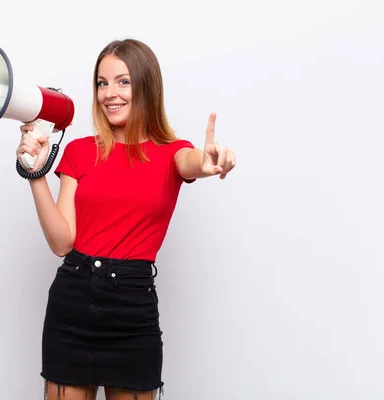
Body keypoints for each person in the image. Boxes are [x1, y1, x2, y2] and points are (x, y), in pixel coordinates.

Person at [16, 38, 236, 400]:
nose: (109, 93)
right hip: (72, 300)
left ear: (146, 86)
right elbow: (61, 242)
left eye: (123, 81)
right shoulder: (79, 152)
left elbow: (194, 162)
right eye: (102, 83)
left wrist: (212, 162)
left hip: (132, 310)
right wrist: (36, 174)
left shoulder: (172, 154)